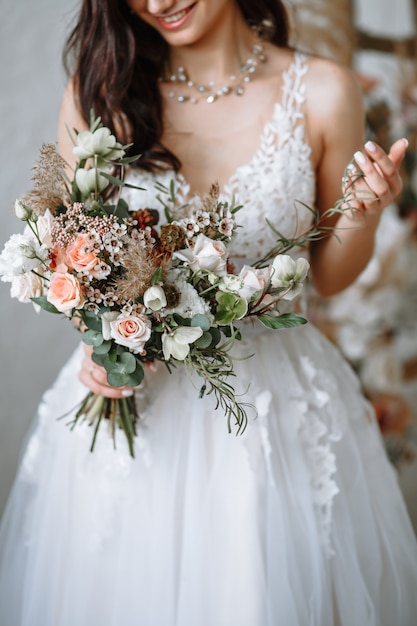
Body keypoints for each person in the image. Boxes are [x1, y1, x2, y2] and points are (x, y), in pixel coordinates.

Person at [0, 1, 417, 624]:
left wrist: (361, 213)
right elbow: (68, 253)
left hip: (277, 412)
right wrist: (96, 340)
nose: (159, 2)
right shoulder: (102, 92)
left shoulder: (323, 91)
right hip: (133, 404)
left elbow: (330, 278)